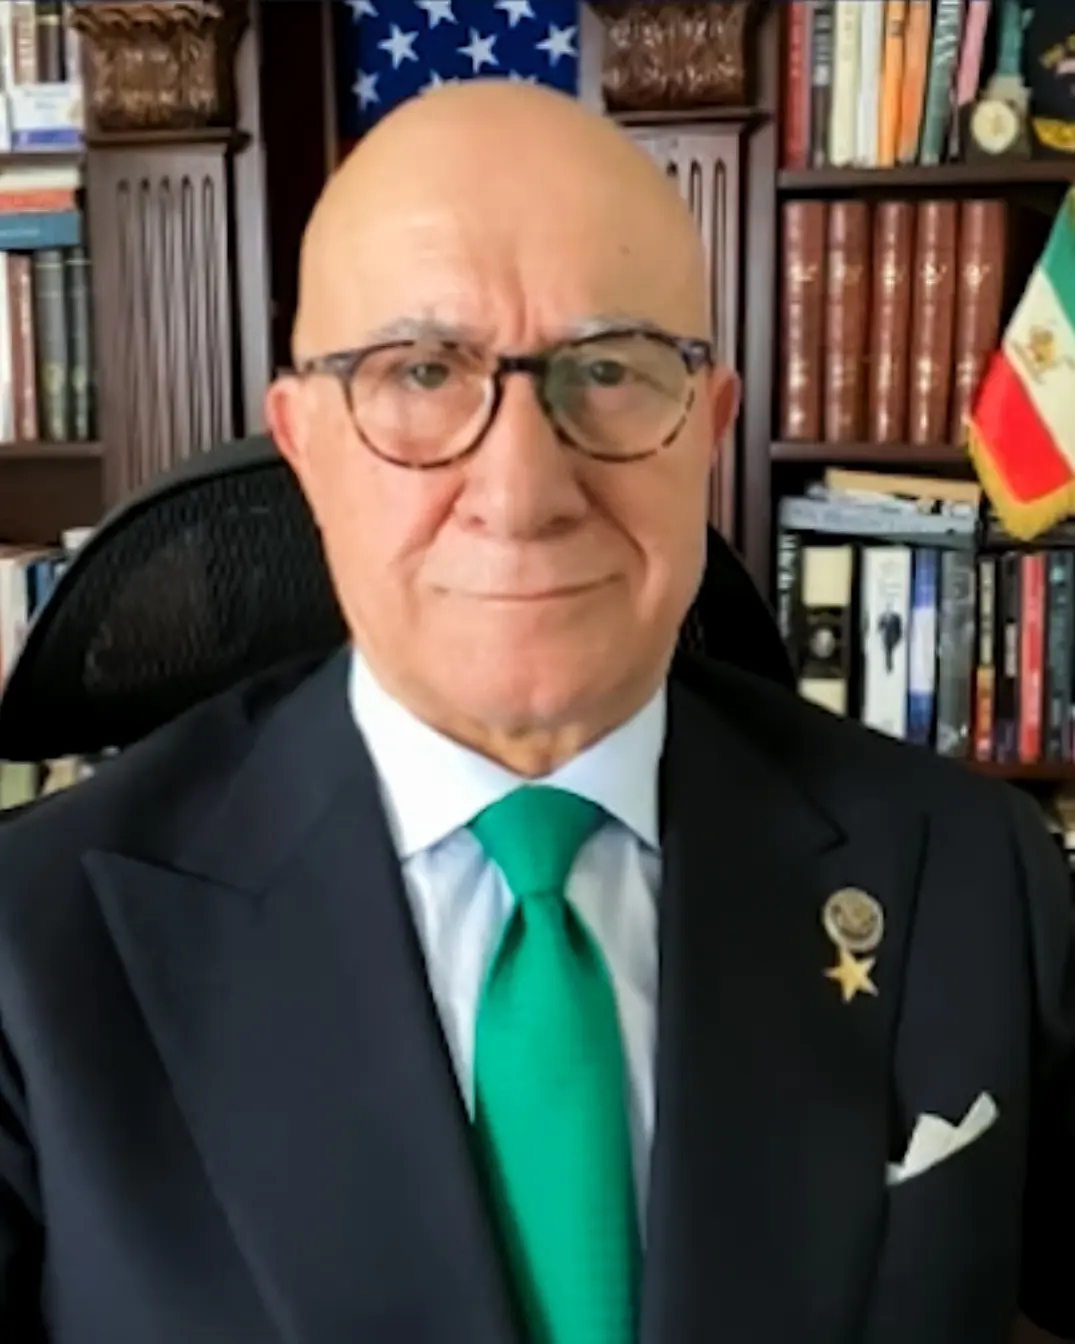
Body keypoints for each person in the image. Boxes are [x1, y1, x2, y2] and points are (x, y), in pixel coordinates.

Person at [0, 80, 1071, 1344]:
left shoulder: (971, 874)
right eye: (419, 372)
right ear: (304, 447)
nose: (520, 492)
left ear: (708, 428)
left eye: (607, 369)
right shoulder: (31, 943)